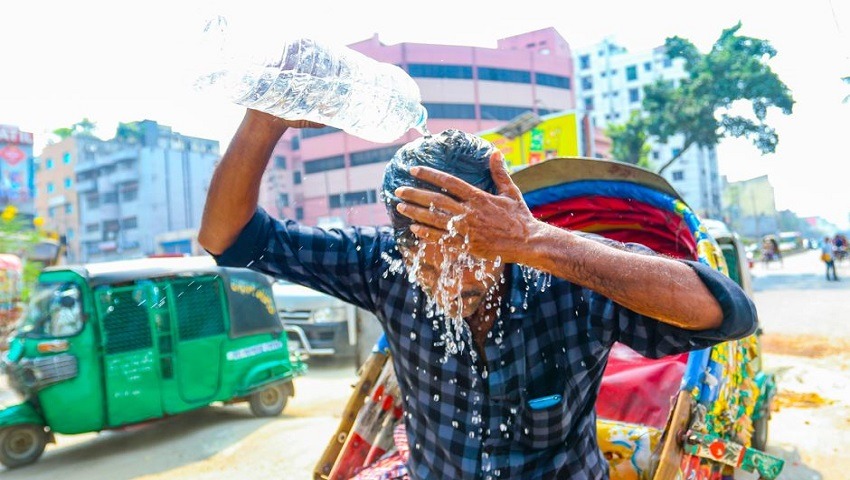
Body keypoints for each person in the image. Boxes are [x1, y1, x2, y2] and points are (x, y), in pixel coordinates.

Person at [199, 109, 757, 479]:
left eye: (470, 248)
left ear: (503, 225)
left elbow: (728, 314)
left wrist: (535, 240)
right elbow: (227, 239)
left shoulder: (567, 278)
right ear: (401, 244)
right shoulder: (383, 267)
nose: (453, 274)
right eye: (427, 253)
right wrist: (263, 121)